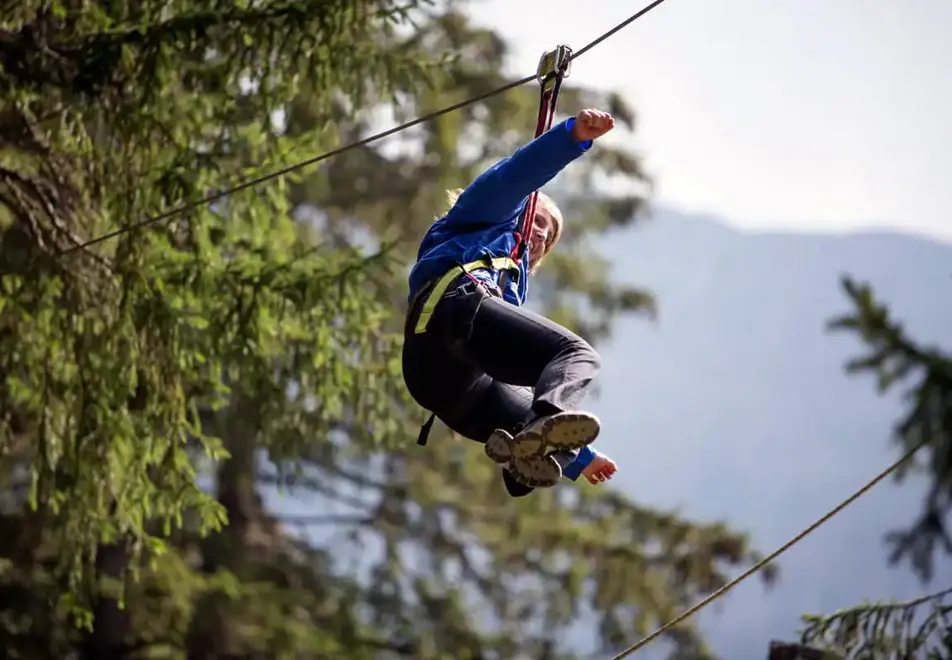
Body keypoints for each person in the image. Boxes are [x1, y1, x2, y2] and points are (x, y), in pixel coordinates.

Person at [402, 108, 619, 497]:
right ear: (519, 213)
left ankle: (524, 456)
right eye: (537, 221)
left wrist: (583, 458)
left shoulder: (510, 287)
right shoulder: (478, 217)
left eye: (548, 235)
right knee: (577, 356)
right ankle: (539, 432)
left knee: (532, 403)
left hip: (441, 383)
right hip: (451, 308)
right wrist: (570, 136)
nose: (539, 234)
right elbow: (517, 175)